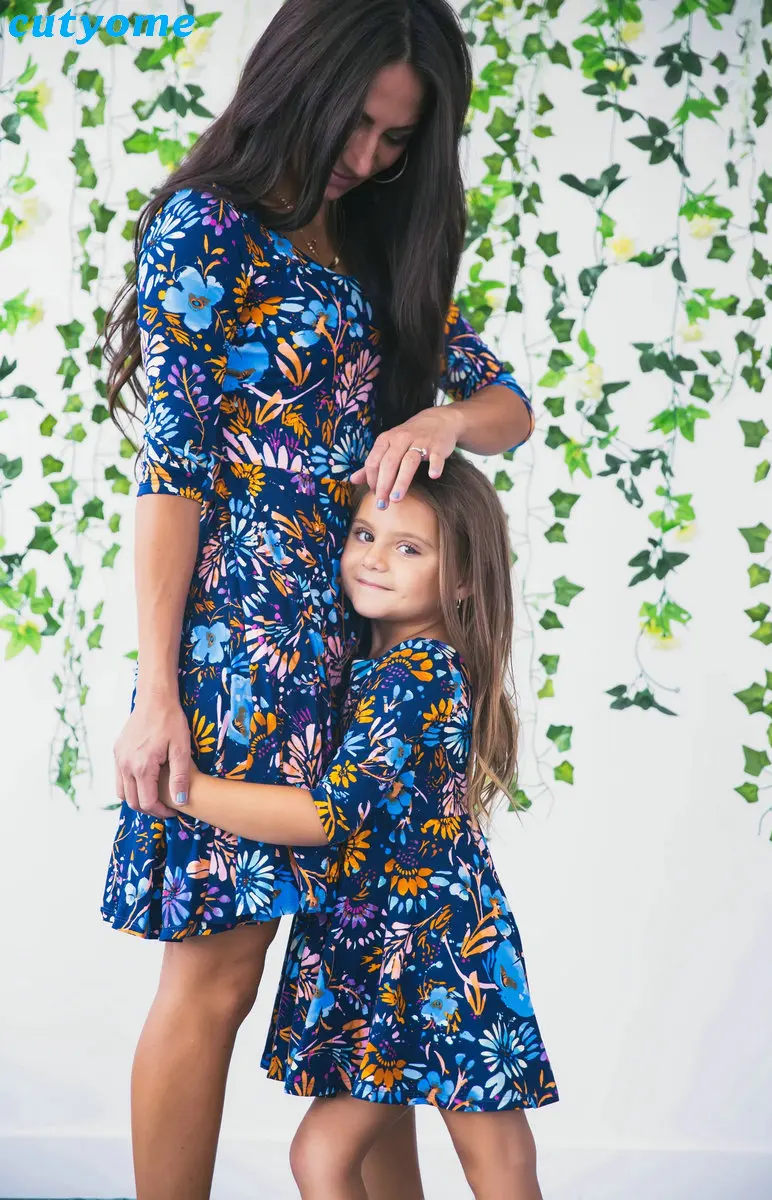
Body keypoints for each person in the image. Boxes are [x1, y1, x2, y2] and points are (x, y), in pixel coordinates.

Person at [101, 1, 534, 1196]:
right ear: (301, 82)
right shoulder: (208, 230)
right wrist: (156, 693)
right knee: (216, 978)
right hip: (242, 653)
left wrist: (443, 418)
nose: (368, 155)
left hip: (368, 640)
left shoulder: (379, 244)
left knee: (374, 986)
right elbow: (173, 474)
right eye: (358, 124)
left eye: (398, 139)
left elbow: (508, 408)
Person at [157, 455, 559, 1200]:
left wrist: (185, 789)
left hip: (440, 955)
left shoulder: (419, 674)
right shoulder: (371, 665)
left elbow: (328, 816)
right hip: (380, 953)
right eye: (365, 534)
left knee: (488, 1164)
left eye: (409, 548)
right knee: (380, 1158)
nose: (374, 558)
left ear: (463, 580)